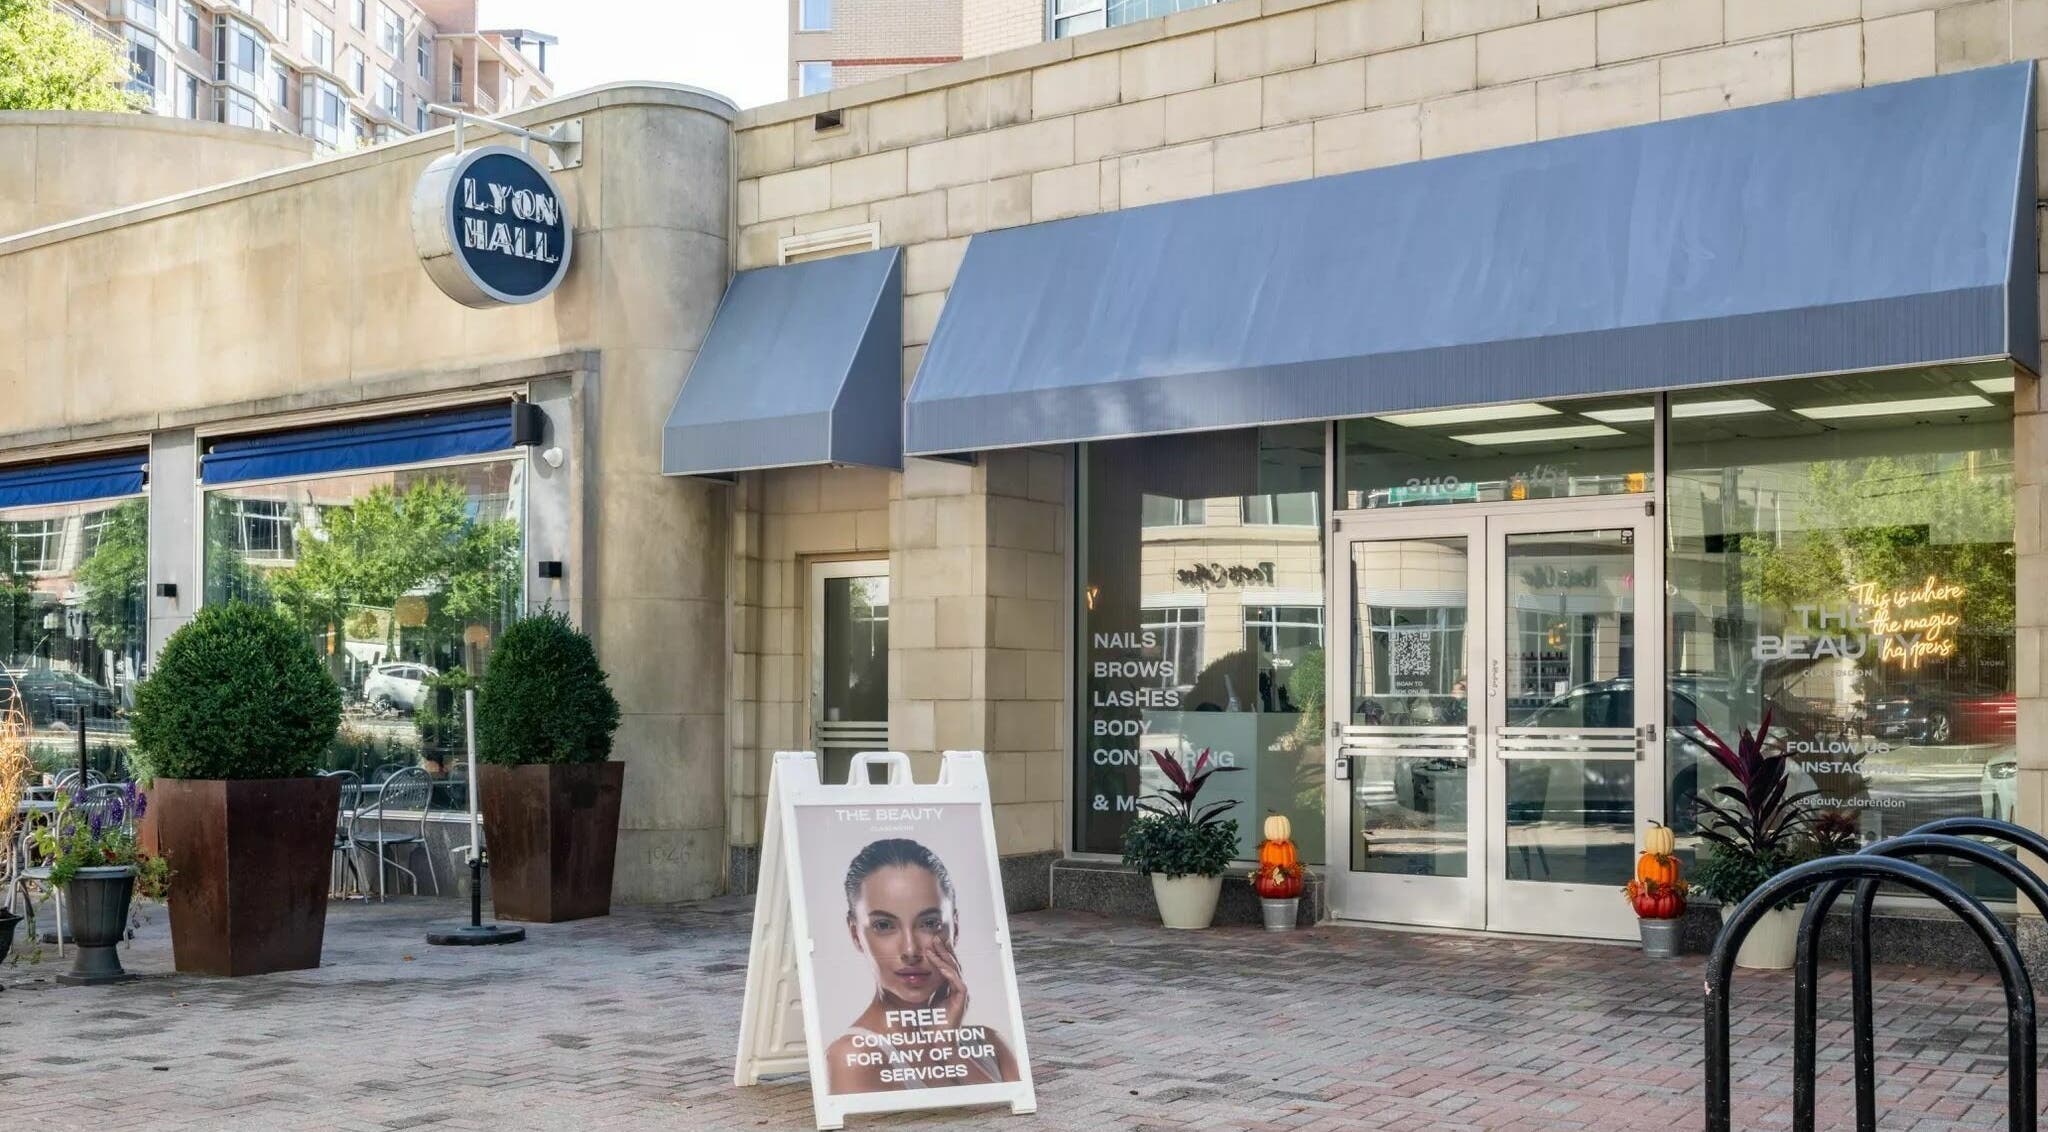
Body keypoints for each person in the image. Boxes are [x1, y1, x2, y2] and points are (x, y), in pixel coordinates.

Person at [824, 838, 1021, 1094]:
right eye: (884, 925)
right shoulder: (854, 1057)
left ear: (955, 927)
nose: (910, 950)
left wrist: (948, 1048)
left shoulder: (988, 1043)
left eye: (929, 923)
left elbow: (1011, 1109)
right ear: (855, 934)